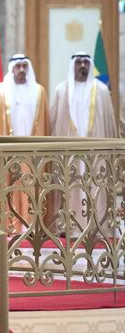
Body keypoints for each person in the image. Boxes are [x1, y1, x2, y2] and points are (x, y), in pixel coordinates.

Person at [50, 52, 116, 234]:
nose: (82, 65)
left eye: (86, 62)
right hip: (68, 151)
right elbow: (54, 124)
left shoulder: (101, 90)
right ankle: (68, 227)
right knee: (70, 186)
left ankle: (97, 226)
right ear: (72, 65)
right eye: (78, 62)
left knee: (95, 186)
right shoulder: (61, 91)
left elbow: (110, 124)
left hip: (96, 152)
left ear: (90, 64)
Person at [0, 54, 49, 229]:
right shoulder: (0, 92)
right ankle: (7, 225)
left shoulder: (39, 91)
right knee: (8, 186)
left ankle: (33, 225)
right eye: (18, 66)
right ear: (11, 68)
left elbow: (44, 123)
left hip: (33, 152)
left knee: (32, 186)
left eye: (24, 66)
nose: (21, 70)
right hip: (8, 151)